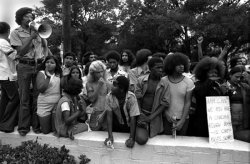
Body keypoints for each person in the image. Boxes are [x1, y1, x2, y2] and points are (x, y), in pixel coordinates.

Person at [10, 7, 49, 136]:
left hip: (37, 66)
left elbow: (44, 47)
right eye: (27, 16)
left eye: (32, 16)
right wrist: (31, 37)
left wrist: (40, 35)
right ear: (21, 18)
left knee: (37, 98)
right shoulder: (15, 33)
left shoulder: (36, 32)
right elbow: (20, 51)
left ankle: (36, 125)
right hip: (24, 66)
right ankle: (23, 127)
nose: (30, 18)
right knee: (25, 98)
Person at [187, 57, 225, 137]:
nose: (214, 75)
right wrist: (208, 82)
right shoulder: (197, 85)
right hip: (200, 118)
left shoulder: (217, 85)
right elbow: (199, 95)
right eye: (211, 72)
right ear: (204, 73)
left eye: (216, 73)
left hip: (215, 120)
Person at [135, 57, 170, 144]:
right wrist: (140, 114)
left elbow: (165, 103)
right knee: (141, 139)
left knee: (157, 139)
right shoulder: (141, 80)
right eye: (158, 68)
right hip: (141, 115)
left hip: (155, 117)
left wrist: (150, 118)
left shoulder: (165, 84)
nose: (161, 70)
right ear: (150, 69)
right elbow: (137, 98)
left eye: (162, 67)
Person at [163, 53, 195, 136]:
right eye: (178, 64)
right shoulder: (163, 81)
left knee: (181, 143)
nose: (182, 66)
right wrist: (166, 114)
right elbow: (161, 100)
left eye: (183, 64)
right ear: (171, 65)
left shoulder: (189, 82)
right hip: (167, 119)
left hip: (183, 119)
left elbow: (188, 102)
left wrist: (182, 121)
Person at [104, 76, 140, 148]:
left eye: (114, 84)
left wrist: (131, 138)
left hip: (129, 125)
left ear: (121, 89)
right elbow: (109, 117)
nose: (111, 86)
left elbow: (133, 119)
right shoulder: (109, 97)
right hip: (117, 124)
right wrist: (110, 136)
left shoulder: (131, 97)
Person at [0, 22, 19, 132]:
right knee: (15, 98)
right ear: (7, 31)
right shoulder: (3, 42)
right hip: (6, 75)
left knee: (5, 99)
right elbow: (14, 56)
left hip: (2, 74)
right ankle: (6, 124)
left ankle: (2, 120)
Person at [36, 56, 62, 134]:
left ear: (56, 65)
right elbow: (41, 89)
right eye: (47, 62)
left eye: (52, 63)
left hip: (56, 105)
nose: (49, 64)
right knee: (46, 131)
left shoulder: (59, 74)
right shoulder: (41, 73)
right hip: (44, 104)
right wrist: (48, 77)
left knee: (55, 130)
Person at [221, 66, 250, 136]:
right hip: (229, 118)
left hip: (242, 118)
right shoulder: (223, 87)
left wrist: (248, 79)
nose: (238, 79)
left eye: (240, 77)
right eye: (236, 77)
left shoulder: (244, 86)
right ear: (230, 75)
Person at [86, 60, 110, 130]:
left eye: (102, 71)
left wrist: (105, 113)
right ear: (92, 73)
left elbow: (110, 101)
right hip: (95, 113)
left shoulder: (107, 83)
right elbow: (91, 99)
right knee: (94, 135)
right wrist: (99, 86)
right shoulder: (89, 84)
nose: (101, 74)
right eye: (98, 72)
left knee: (105, 135)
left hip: (106, 112)